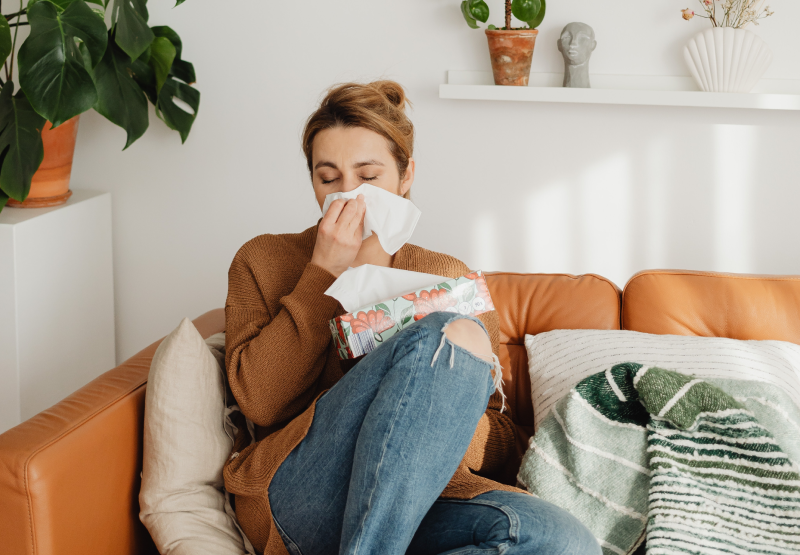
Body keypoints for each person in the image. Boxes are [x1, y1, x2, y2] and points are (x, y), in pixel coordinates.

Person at [223, 80, 601, 555]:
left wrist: (430, 401)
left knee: (566, 542)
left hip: (421, 502)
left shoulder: (447, 276)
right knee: (444, 333)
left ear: (405, 178)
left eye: (368, 176)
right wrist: (325, 274)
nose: (348, 196)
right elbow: (261, 403)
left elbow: (501, 435)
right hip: (299, 494)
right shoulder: (264, 259)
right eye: (328, 177)